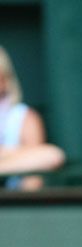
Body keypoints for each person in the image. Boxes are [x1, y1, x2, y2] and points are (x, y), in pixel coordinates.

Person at [0, 46, 65, 190]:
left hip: (12, 204)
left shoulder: (24, 117)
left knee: (50, 155)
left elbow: (46, 161)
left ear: (5, 79)